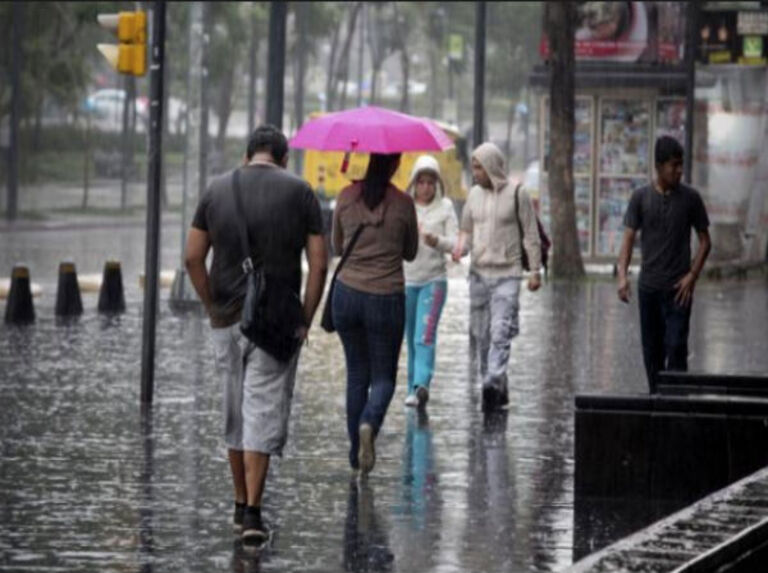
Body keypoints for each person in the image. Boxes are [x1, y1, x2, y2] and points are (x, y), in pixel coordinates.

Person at [184, 125, 328, 545]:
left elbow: (192, 257)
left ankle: (237, 502)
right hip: (276, 322)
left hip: (227, 320)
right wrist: (305, 317)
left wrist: (212, 305)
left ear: (247, 156)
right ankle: (252, 513)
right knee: (261, 413)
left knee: (234, 411)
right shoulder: (301, 192)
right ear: (283, 159)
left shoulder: (216, 190)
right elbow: (319, 264)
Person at [332, 153, 419, 476]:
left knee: (357, 375)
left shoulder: (345, 197)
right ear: (395, 165)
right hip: (386, 298)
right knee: (383, 378)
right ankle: (369, 422)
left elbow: (338, 247)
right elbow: (410, 252)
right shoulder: (404, 204)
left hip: (347, 296)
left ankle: (356, 454)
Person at [616, 136, 711, 392]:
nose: (679, 171)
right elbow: (628, 238)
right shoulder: (640, 198)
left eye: (681, 165)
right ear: (658, 167)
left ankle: (676, 404)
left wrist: (692, 275)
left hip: (679, 290)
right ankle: (656, 399)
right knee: (652, 353)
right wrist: (622, 277)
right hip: (649, 289)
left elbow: (705, 241)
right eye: (674, 165)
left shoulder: (691, 198)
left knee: (676, 347)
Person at [452, 142, 542, 412]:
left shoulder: (518, 193)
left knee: (500, 331)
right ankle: (494, 383)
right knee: (482, 335)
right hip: (479, 275)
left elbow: (531, 234)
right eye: (473, 167)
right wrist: (456, 248)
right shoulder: (473, 195)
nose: (475, 173)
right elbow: (466, 231)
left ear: (491, 167)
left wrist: (535, 270)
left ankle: (492, 381)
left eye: (479, 167)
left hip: (508, 275)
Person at [403, 156, 459, 409]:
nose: (425, 188)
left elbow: (456, 245)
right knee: (411, 337)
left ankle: (421, 384)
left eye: (430, 182)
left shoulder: (445, 207)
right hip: (406, 281)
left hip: (434, 281)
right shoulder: (405, 207)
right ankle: (411, 388)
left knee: (424, 336)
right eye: (421, 182)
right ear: (414, 183)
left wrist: (437, 241)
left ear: (437, 184)